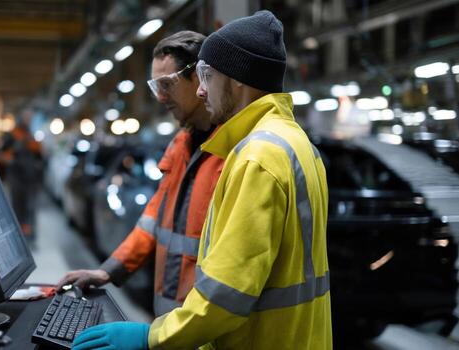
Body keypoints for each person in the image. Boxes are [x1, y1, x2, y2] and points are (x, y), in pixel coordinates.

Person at [72, 11, 332, 350]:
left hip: (246, 336)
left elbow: (227, 293)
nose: (200, 91)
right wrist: (114, 270)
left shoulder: (255, 157)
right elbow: (157, 216)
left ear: (237, 78)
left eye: (206, 76)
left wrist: (151, 336)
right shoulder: (296, 143)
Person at [57, 31, 224, 317]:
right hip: (171, 323)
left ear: (199, 77)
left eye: (167, 84)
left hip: (205, 328)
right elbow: (153, 219)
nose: (160, 97)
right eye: (155, 86)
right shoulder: (181, 147)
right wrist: (109, 270)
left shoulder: (233, 152)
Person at [0, 111, 44, 242]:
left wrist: (38, 167)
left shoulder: (32, 136)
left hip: (31, 179)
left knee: (31, 209)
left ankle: (31, 238)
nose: (28, 120)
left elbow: (39, 156)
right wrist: (10, 161)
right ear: (21, 119)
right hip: (16, 178)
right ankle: (18, 239)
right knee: (18, 209)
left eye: (30, 118)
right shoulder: (12, 136)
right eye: (27, 118)